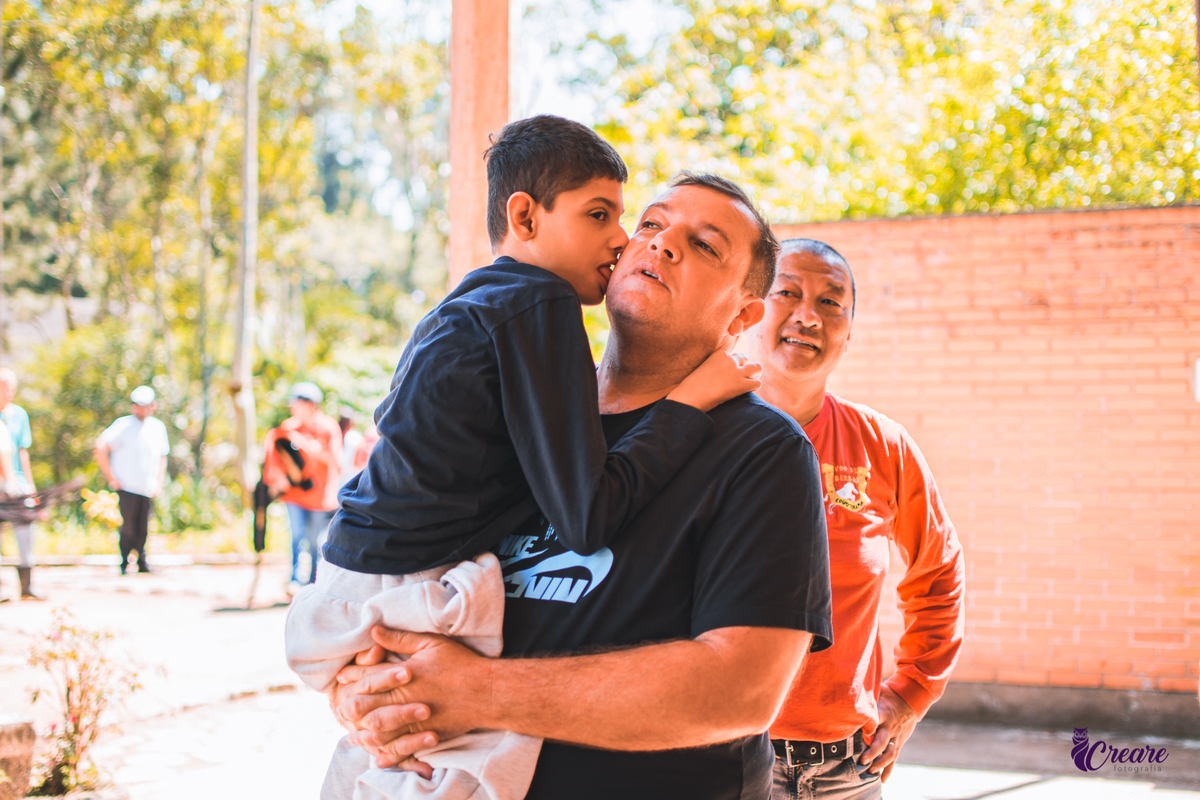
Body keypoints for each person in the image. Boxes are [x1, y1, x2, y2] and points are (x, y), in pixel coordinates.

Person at [288, 118, 758, 800]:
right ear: (525, 217)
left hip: (356, 568)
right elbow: (588, 515)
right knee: (451, 760)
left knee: (405, 756)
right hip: (410, 574)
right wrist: (693, 400)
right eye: (601, 215)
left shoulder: (472, 301)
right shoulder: (541, 301)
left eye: (620, 217)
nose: (623, 239)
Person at [738, 238, 966, 800]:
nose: (807, 315)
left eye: (830, 302)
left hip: (849, 770)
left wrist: (910, 693)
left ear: (848, 332)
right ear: (750, 309)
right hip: (728, 763)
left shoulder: (882, 446)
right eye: (787, 293)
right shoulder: (701, 431)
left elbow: (939, 571)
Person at [263, 381, 343, 591]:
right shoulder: (287, 428)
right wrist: (276, 479)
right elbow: (274, 456)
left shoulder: (328, 427)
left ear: (309, 404)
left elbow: (334, 460)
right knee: (296, 535)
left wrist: (304, 444)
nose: (292, 407)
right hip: (294, 495)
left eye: (296, 403)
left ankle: (314, 581)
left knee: (315, 540)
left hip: (320, 496)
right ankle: (295, 578)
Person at [95, 385, 171, 575]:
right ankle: (124, 561)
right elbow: (101, 446)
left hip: (147, 487)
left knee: (143, 526)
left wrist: (159, 482)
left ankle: (142, 561)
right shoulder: (123, 425)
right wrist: (111, 477)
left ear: (152, 405)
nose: (140, 409)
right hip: (127, 486)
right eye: (137, 404)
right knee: (127, 526)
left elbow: (162, 456)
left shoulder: (157, 427)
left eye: (144, 405)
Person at [0, 369, 43, 600]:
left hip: (17, 482)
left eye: (12, 389)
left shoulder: (19, 415)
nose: (9, 393)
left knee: (26, 527)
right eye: (5, 388)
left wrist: (30, 486)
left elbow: (22, 452)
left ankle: (27, 585)